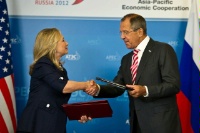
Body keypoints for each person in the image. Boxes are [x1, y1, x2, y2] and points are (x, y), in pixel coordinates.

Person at [87, 13, 182, 133]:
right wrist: (97, 89)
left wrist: (145, 90)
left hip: (161, 124)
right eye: (121, 32)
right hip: (137, 124)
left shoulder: (163, 50)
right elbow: (118, 87)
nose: (122, 36)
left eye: (126, 32)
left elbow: (173, 84)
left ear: (140, 32)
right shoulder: (127, 59)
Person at [17, 28, 96, 133]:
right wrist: (86, 85)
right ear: (51, 44)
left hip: (55, 125)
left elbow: (58, 102)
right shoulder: (43, 64)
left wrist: (78, 114)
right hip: (36, 126)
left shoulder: (61, 70)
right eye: (63, 40)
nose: (67, 43)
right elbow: (64, 87)